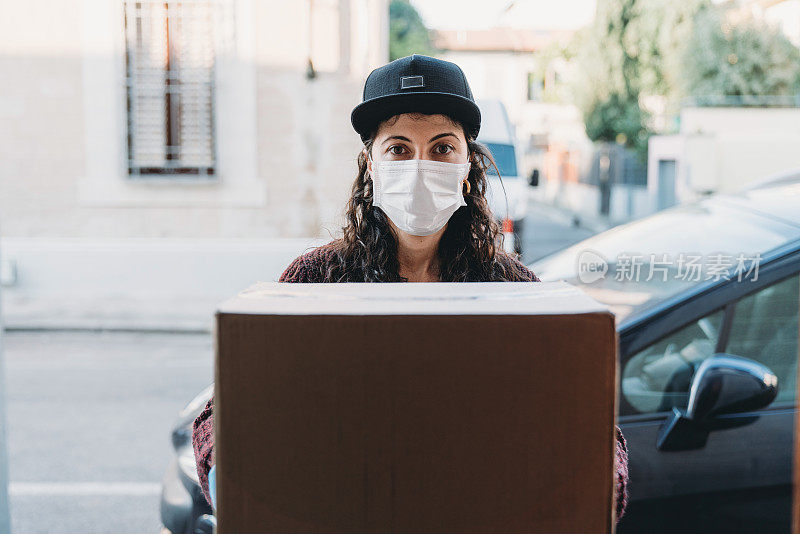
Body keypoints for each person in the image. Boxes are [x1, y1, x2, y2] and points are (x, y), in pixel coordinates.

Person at [192, 54, 629, 522]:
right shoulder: (318, 278)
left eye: (442, 148)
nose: (421, 165)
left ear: (468, 164)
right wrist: (239, 485)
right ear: (371, 164)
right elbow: (218, 417)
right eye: (398, 148)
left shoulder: (511, 287)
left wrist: (595, 487)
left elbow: (598, 430)